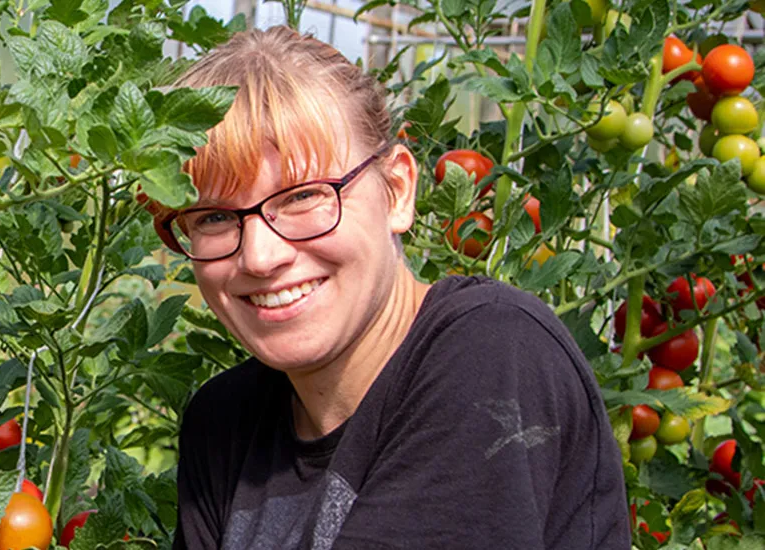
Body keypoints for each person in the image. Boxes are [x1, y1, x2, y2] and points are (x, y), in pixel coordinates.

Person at [149, 27, 630, 549]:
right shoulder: (224, 423)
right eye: (215, 216)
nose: (261, 257)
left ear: (397, 191)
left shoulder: (491, 351)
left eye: (304, 196)